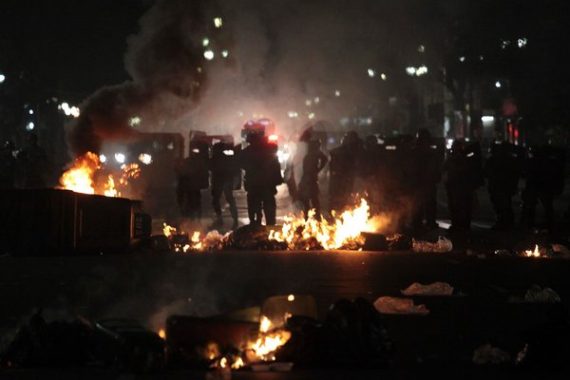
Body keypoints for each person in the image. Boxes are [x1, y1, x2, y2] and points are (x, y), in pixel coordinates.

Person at [239, 133, 283, 225]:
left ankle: (256, 224)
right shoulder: (269, 150)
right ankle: (270, 228)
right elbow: (276, 166)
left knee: (254, 207)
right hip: (268, 185)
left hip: (254, 185)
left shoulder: (247, 151)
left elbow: (240, 163)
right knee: (269, 208)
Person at [521, 144, 565, 230]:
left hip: (538, 186)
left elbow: (525, 171)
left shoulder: (535, 161)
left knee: (534, 206)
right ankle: (548, 224)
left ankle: (531, 223)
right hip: (542, 186)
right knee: (544, 206)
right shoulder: (550, 162)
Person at [443, 139, 482, 232]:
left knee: (463, 207)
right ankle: (458, 225)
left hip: (462, 187)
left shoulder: (465, 158)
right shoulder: (453, 158)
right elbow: (445, 168)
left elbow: (465, 169)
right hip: (455, 187)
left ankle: (463, 226)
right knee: (455, 208)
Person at [484, 140, 521, 230]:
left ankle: (504, 222)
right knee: (504, 205)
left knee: (502, 205)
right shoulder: (510, 159)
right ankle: (506, 222)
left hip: (499, 186)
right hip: (502, 186)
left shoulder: (496, 159)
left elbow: (486, 172)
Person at [410, 129, 441, 231]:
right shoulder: (420, 152)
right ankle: (419, 223)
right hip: (420, 182)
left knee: (428, 204)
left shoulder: (430, 153)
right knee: (420, 205)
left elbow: (436, 167)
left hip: (426, 182)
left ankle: (426, 222)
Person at [176, 140, 209, 221]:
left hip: (194, 186)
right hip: (190, 186)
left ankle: (195, 219)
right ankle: (192, 219)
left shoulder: (199, 162)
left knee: (195, 203)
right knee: (191, 203)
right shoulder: (189, 161)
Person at [329, 131, 362, 210]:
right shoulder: (338, 152)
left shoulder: (354, 151)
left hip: (346, 178)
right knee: (337, 198)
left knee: (345, 198)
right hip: (339, 179)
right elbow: (333, 166)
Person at [209, 141, 239, 230]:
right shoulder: (227, 159)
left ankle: (220, 220)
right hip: (226, 182)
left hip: (219, 182)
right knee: (230, 201)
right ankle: (235, 221)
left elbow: (209, 166)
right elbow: (234, 170)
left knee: (217, 201)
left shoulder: (215, 159)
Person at [298, 139, 328, 218]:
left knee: (311, 201)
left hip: (309, 180)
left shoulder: (311, 154)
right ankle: (312, 218)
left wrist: (318, 169)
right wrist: (318, 169)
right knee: (312, 201)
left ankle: (314, 218)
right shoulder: (312, 155)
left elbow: (324, 159)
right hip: (309, 180)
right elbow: (325, 159)